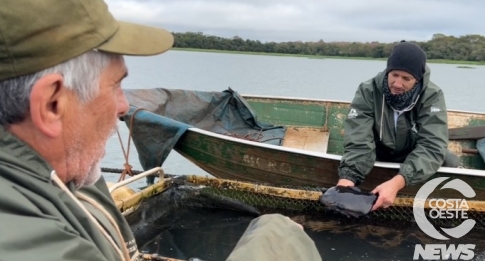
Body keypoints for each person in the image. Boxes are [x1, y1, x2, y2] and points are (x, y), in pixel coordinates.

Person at [0, 1, 321, 261]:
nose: (123, 106)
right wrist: (278, 235)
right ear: (52, 104)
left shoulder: (61, 168)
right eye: (115, 86)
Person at [337, 41, 460, 211]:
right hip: (376, 148)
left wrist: (397, 183)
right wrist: (346, 180)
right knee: (351, 163)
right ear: (388, 71)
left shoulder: (432, 95)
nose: (397, 84)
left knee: (450, 160)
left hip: (409, 151)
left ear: (417, 80)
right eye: (394, 75)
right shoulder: (368, 90)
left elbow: (432, 145)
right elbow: (359, 139)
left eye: (406, 78)